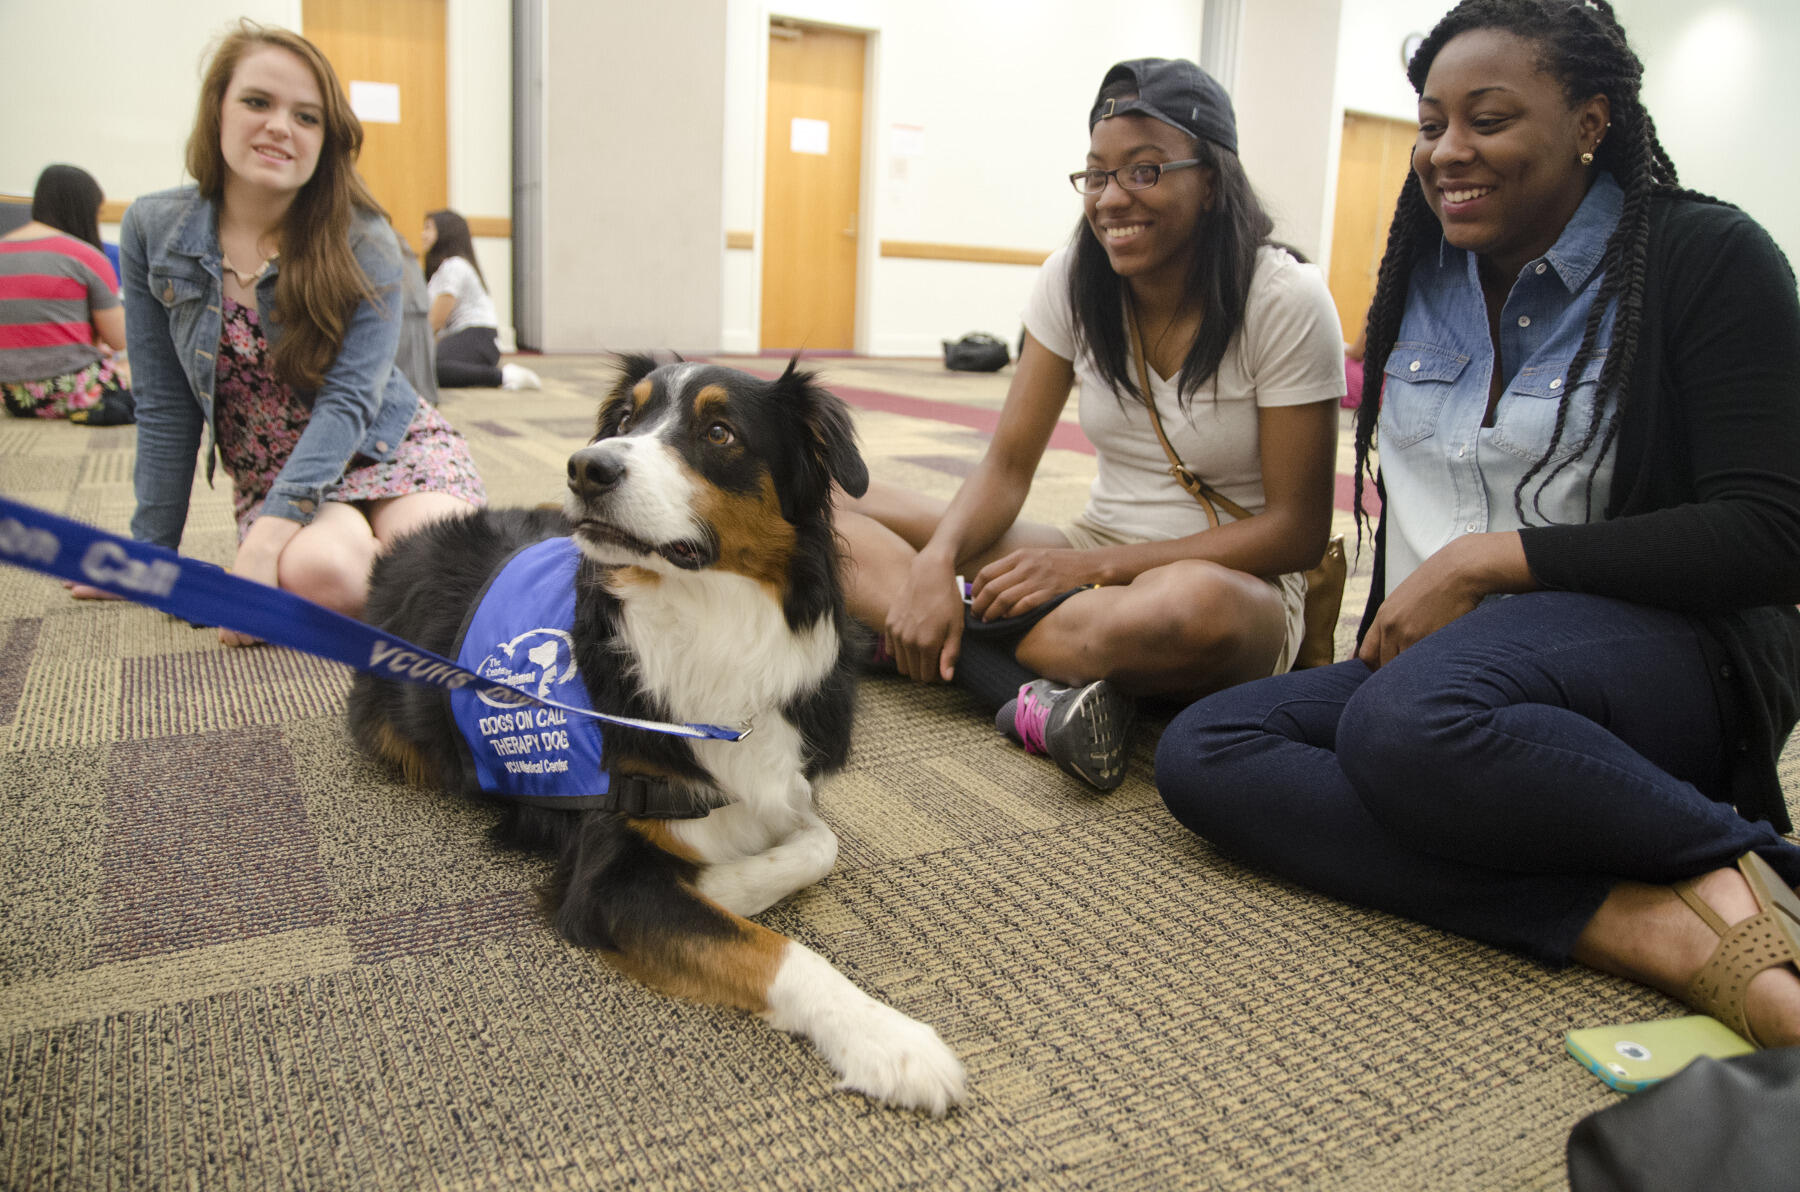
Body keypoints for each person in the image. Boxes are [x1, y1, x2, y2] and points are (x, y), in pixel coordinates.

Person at [1156, 0, 1800, 1048]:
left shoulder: (1708, 256)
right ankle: (1636, 922)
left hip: (1664, 650)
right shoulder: (1427, 274)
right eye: (1431, 121)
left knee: (1404, 728)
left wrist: (1494, 562)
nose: (1447, 151)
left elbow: (1772, 535)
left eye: (1488, 119)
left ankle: (1739, 858)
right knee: (1208, 749)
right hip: (1450, 672)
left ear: (1591, 121)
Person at [835, 58, 1344, 790]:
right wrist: (934, 563)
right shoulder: (1074, 278)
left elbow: (1295, 531)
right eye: (1097, 175)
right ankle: (1017, 676)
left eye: (1144, 171)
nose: (1112, 198)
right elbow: (1008, 467)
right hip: (1093, 549)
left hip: (1230, 584)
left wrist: (1087, 571)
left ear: (1211, 180)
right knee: (822, 502)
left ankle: (930, 644)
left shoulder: (1284, 300)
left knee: (1185, 607)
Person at [115, 20, 486, 643]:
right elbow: (164, 406)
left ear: (327, 139)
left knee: (443, 564)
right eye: (257, 102)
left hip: (390, 444)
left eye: (307, 117)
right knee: (330, 575)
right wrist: (144, 556)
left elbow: (349, 401)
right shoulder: (152, 228)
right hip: (280, 472)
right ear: (218, 110)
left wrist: (260, 546)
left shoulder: (365, 238)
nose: (280, 126)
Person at [0, 164, 134, 426]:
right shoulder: (86, 257)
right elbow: (120, 340)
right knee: (148, 362)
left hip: (12, 396)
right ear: (84, 209)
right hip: (74, 391)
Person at [421, 208, 538, 391]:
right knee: (424, 365)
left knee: (428, 368)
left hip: (478, 338)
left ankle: (504, 376)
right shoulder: (443, 269)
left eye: (428, 228)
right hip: (466, 337)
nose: (423, 234)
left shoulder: (454, 266)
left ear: (445, 232)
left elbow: (435, 322)